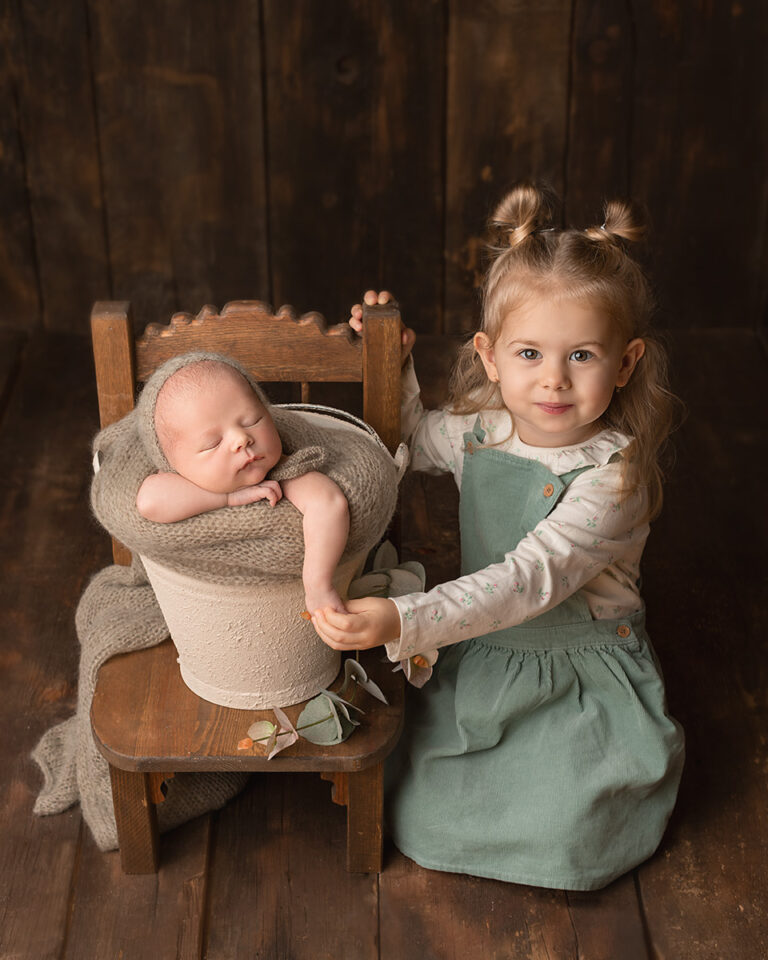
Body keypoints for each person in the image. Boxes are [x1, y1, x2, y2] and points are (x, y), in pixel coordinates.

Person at [312, 183, 685, 890]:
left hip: (577, 669)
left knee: (572, 833)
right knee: (420, 811)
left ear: (627, 362)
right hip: (486, 649)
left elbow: (526, 580)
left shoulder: (612, 477)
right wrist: (393, 362)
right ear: (489, 356)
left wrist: (402, 619)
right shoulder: (482, 432)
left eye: (582, 355)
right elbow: (408, 439)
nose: (554, 380)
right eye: (529, 353)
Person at [136, 357, 350, 615]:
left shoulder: (286, 471)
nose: (241, 438)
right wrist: (228, 497)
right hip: (204, 608)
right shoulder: (177, 481)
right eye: (213, 443)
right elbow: (149, 502)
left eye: (252, 421)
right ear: (174, 466)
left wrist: (318, 586)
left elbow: (329, 504)